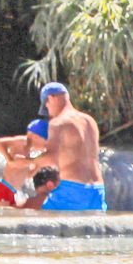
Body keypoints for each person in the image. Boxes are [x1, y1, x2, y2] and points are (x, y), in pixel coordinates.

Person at [36, 82, 107, 211]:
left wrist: (26, 163)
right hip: (98, 190)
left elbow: (50, 158)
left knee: (42, 225)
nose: (49, 113)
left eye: (46, 106)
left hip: (73, 190)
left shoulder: (57, 123)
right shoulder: (89, 120)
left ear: (52, 98)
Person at [0, 118, 47, 206]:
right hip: (3, 189)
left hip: (11, 191)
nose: (44, 146)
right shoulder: (23, 141)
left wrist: (39, 164)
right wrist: (9, 159)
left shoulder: (28, 152)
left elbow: (28, 175)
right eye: (45, 142)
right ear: (36, 137)